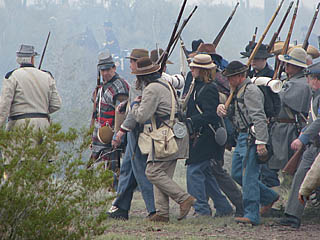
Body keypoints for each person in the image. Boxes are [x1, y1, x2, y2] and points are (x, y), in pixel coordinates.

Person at [131, 57, 195, 223]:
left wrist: (134, 106)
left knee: (152, 172)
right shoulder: (166, 84)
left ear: (142, 77)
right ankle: (162, 213)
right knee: (162, 173)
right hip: (172, 134)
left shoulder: (151, 89)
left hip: (165, 136)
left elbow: (141, 116)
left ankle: (183, 198)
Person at [217, 61, 279, 225]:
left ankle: (251, 214)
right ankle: (269, 197)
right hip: (241, 137)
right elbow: (236, 114)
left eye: (231, 77)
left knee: (249, 175)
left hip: (252, 137)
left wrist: (261, 142)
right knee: (237, 173)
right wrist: (223, 109)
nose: (228, 80)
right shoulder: (236, 90)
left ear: (239, 76)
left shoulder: (251, 91)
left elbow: (258, 117)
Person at [107, 49, 156, 220]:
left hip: (140, 132)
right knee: (127, 170)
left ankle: (153, 210)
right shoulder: (138, 84)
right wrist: (127, 103)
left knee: (142, 173)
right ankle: (121, 207)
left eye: (132, 62)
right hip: (133, 134)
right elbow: (134, 103)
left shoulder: (146, 86)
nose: (129, 65)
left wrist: (121, 131)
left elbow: (137, 112)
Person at [185, 54, 233, 217]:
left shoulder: (209, 88)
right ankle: (223, 207)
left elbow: (211, 115)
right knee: (205, 173)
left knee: (193, 171)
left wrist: (191, 121)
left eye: (195, 67)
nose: (191, 69)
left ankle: (202, 209)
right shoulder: (195, 85)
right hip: (199, 135)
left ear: (203, 70)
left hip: (206, 136)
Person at [277, 62, 320, 229]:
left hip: (315, 144)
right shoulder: (315, 95)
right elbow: (312, 121)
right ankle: (292, 215)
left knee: (303, 176)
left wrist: (302, 139)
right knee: (301, 177)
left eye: (310, 78)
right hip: (314, 145)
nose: (308, 81)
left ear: (316, 79)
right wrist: (304, 133)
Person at [268, 48, 312, 181]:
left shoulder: (303, 85)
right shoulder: (289, 80)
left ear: (298, 67)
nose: (286, 66)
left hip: (289, 129)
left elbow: (282, 99)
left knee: (288, 168)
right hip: (279, 128)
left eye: (290, 64)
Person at [90, 52, 129, 190]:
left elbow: (122, 113)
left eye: (107, 69)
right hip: (100, 132)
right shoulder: (101, 87)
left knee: (114, 166)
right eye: (102, 70)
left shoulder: (120, 86)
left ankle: (116, 192)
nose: (105, 73)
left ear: (114, 68)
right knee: (102, 165)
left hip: (113, 132)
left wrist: (116, 134)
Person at [0, 44, 61, 131]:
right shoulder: (47, 76)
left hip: (19, 126)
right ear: (32, 59)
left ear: (18, 59)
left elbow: (3, 107)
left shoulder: (12, 77)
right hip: (44, 126)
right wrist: (40, 112)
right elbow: (56, 105)